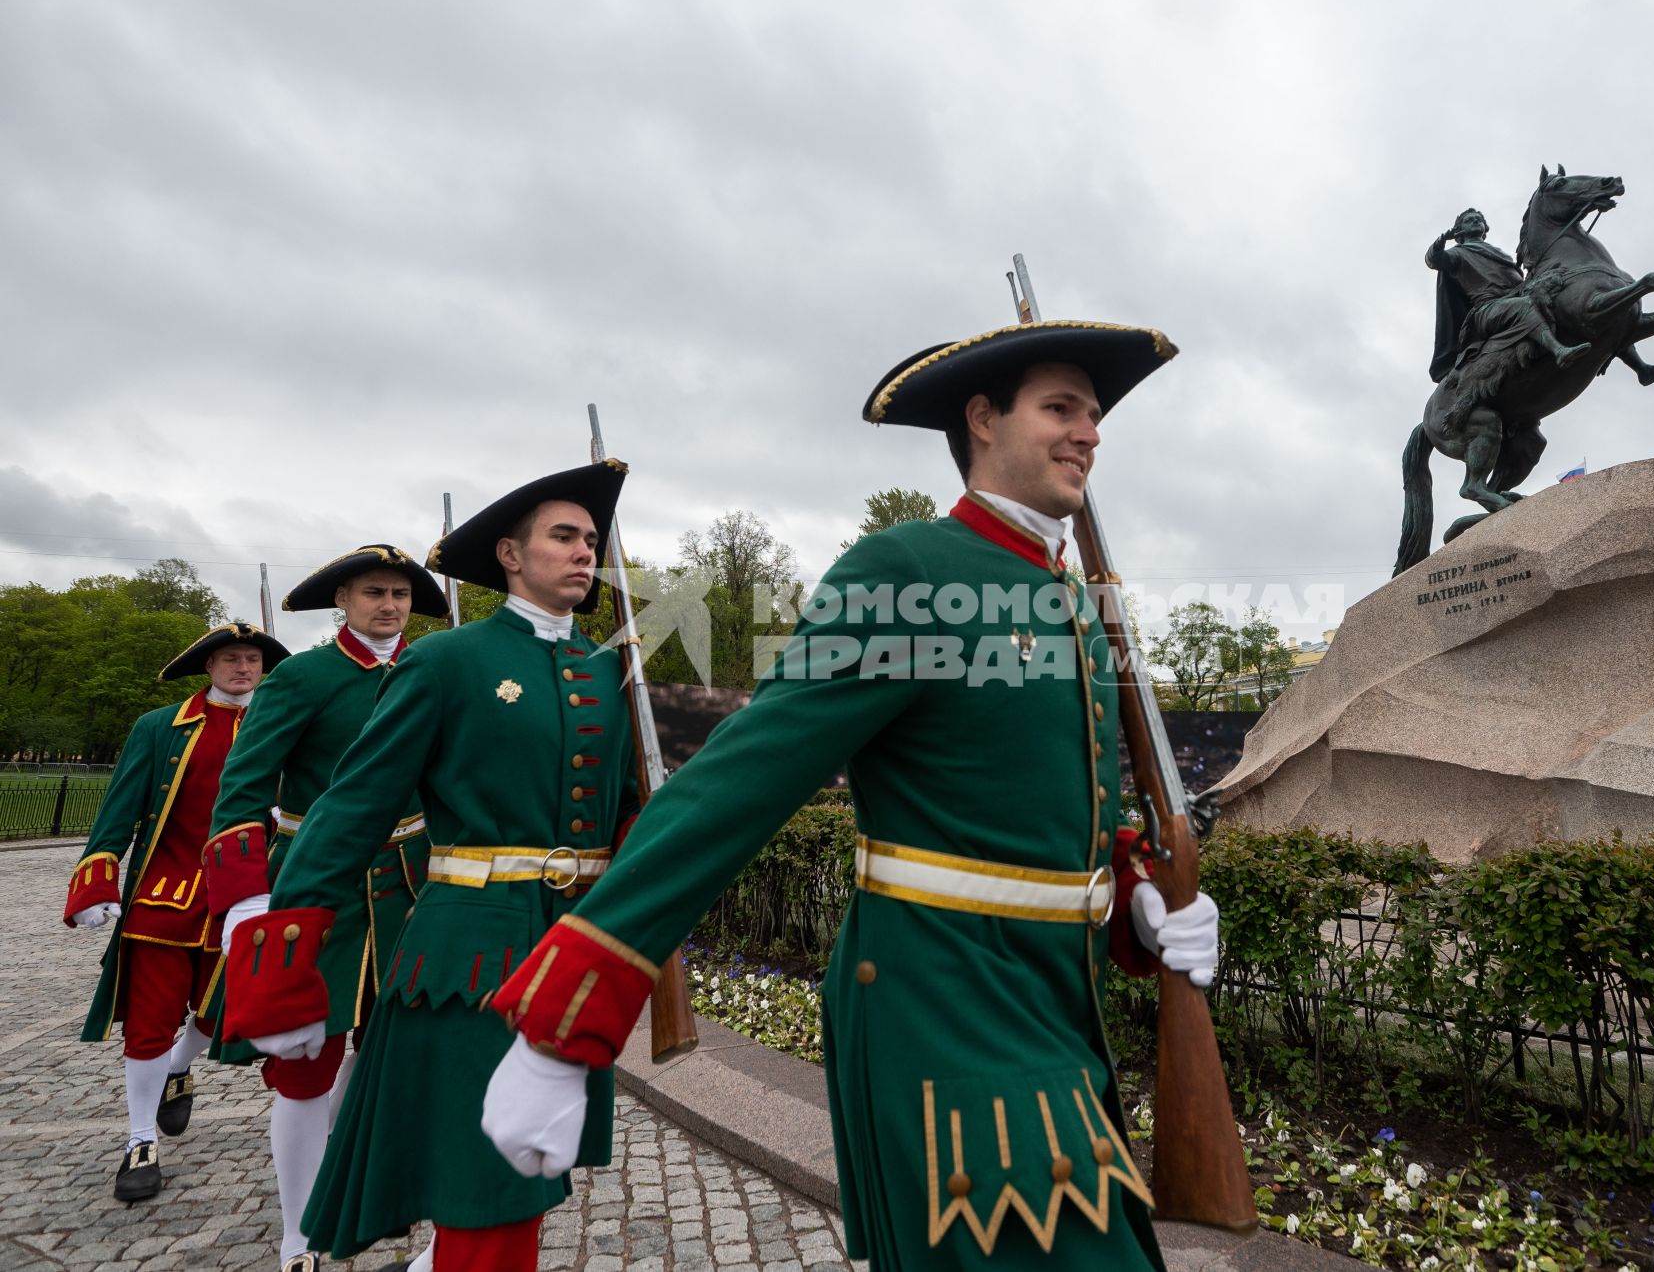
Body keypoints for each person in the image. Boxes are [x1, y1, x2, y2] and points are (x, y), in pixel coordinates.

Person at [482, 321, 1223, 1271]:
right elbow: (745, 773)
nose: (1089, 432)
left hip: (1048, 1008)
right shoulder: (909, 571)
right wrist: (571, 1014)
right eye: (1062, 407)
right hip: (943, 1003)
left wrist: (1136, 900)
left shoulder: (1073, 600)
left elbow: (1033, 807)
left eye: (1093, 414)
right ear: (983, 419)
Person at [219, 463, 638, 1272]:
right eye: (563, 536)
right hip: (468, 955)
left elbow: (621, 810)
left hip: (569, 950)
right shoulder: (449, 661)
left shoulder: (603, 671)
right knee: (489, 1191)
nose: (584, 552)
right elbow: (353, 806)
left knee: (532, 1176)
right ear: (510, 556)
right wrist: (282, 960)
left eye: (591, 540)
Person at [203, 545, 448, 1272]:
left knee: (413, 1059)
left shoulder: (439, 668)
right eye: (374, 591)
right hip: (320, 886)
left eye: (402, 593)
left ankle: (412, 1212)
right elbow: (242, 791)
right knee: (307, 1066)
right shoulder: (300, 677)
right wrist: (248, 903)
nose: (390, 605)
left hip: (415, 884)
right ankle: (299, 1233)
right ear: (343, 596)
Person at [62, 622, 290, 1202]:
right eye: (231, 659)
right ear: (208, 666)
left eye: (253, 660)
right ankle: (141, 1139)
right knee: (149, 1022)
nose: (244, 669)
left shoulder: (286, 725)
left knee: (225, 1015)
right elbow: (122, 807)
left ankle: (177, 1068)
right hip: (164, 897)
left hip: (249, 895)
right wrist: (98, 875)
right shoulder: (160, 727)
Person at [1427, 207, 1591, 384]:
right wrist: (1442, 240)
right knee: (1524, 305)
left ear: (1485, 227)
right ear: (1459, 231)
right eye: (1469, 220)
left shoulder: (1498, 252)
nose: (1475, 221)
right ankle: (1559, 351)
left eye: (1478, 219)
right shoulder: (1456, 253)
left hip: (1514, 296)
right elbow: (1434, 259)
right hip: (1486, 309)